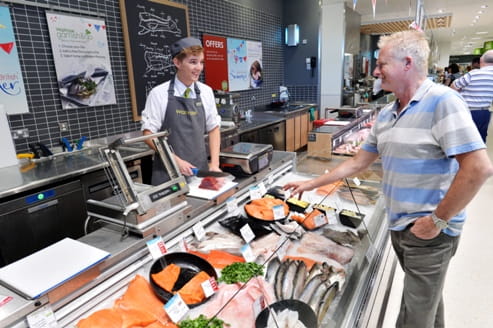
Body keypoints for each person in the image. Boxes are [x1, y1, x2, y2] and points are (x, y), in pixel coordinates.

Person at [284, 30, 493, 328]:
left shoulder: (443, 101)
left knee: (413, 317)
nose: (376, 71)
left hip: (430, 234)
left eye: (382, 64)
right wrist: (308, 184)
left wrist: (436, 221)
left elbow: (478, 168)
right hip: (401, 228)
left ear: (407, 63)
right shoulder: (386, 114)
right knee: (426, 302)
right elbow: (358, 162)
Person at [141, 37, 221, 185]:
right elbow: (148, 134)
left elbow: (214, 127)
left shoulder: (206, 92)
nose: (199, 68)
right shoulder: (159, 93)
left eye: (201, 62)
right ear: (177, 63)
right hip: (168, 174)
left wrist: (214, 164)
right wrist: (175, 160)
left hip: (199, 172)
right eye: (193, 62)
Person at [451, 50, 493, 143]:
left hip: (468, 111)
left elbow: (454, 87)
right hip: (485, 112)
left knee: (463, 139)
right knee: (480, 139)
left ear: (481, 61)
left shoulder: (473, 74)